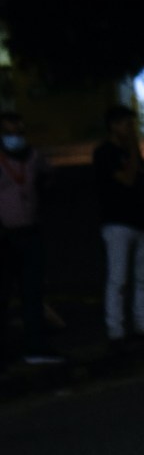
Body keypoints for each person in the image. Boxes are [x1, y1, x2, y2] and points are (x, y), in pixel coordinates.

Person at [95, 106, 144, 346]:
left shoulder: (131, 152)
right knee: (118, 280)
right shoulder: (105, 153)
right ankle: (116, 331)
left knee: (142, 279)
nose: (131, 129)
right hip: (117, 223)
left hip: (141, 222)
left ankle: (143, 326)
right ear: (113, 126)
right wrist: (134, 153)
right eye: (127, 124)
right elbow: (127, 179)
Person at [0, 112, 62, 366]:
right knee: (2, 296)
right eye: (9, 132)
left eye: (18, 132)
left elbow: (49, 177)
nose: (15, 137)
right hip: (4, 235)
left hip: (30, 231)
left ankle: (35, 347)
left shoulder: (33, 156)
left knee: (33, 293)